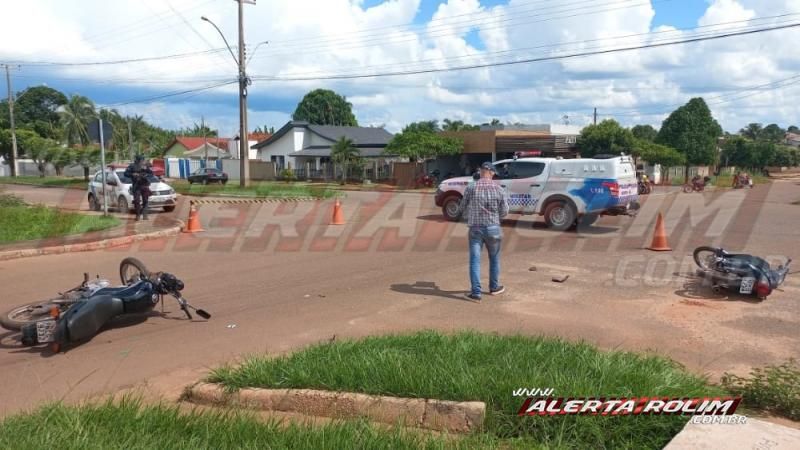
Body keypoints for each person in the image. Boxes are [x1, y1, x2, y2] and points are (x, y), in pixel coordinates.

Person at [455, 162, 509, 301]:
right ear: (491, 173)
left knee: (475, 260)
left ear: (481, 172)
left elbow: (461, 207)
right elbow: (505, 211)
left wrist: (468, 215)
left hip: (475, 228)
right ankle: (494, 287)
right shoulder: (499, 188)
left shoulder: (471, 187)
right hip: (493, 228)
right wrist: (495, 217)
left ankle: (476, 293)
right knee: (494, 259)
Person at [124, 155, 154, 221]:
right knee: (137, 201)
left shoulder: (145, 166)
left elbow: (151, 174)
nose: (142, 161)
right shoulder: (132, 166)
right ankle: (138, 215)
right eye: (141, 160)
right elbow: (125, 173)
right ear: (137, 160)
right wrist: (132, 174)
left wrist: (146, 175)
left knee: (145, 201)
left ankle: (145, 215)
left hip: (144, 185)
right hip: (136, 186)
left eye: (143, 160)